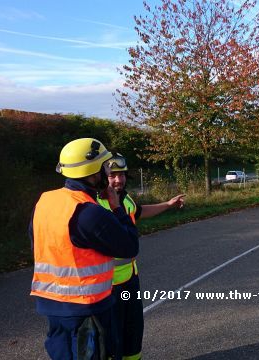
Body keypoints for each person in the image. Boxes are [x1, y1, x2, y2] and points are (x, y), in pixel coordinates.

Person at [29, 138, 139, 360]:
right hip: (86, 307)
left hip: (53, 304)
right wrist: (117, 207)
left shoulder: (45, 201)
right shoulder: (88, 212)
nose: (108, 172)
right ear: (94, 171)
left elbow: (35, 240)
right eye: (105, 167)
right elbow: (129, 246)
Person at [96, 155, 185, 360]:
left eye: (122, 175)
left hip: (129, 280)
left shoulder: (125, 200)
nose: (118, 180)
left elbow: (139, 211)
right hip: (106, 285)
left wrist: (168, 204)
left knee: (133, 330)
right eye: (112, 176)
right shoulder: (96, 204)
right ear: (103, 177)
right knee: (111, 337)